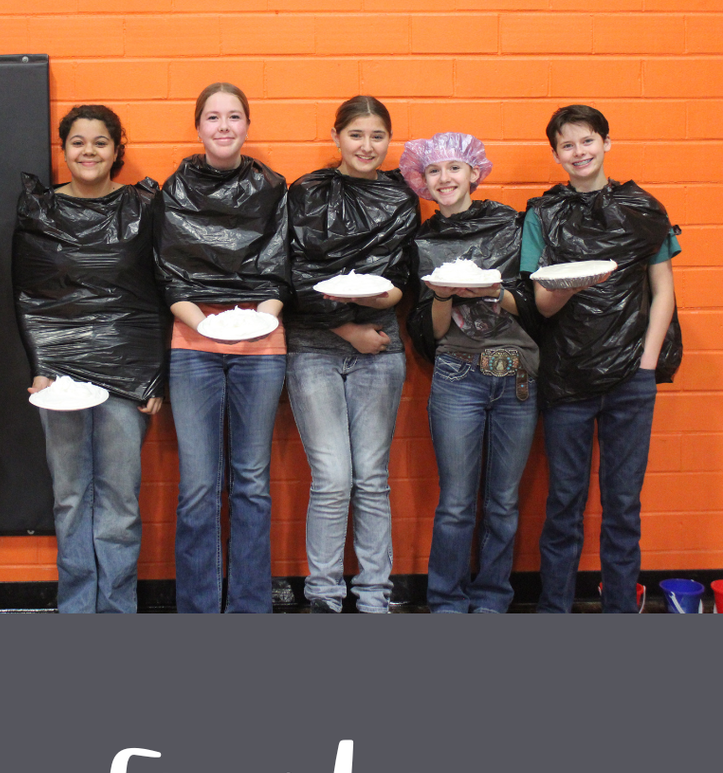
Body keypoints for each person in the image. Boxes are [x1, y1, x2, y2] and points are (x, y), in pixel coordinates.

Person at [522, 105, 681, 613]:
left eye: (587, 141)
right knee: (564, 502)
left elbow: (663, 293)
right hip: (567, 376)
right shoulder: (542, 213)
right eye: (567, 145)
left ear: (606, 143)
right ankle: (555, 610)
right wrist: (571, 285)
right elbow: (542, 304)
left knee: (623, 505)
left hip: (632, 378)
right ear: (556, 154)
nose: (579, 152)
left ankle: (619, 611)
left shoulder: (643, 206)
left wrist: (647, 362)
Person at [14, 104, 169, 613]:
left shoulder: (144, 207)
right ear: (64, 150)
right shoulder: (38, 209)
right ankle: (78, 609)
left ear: (116, 149)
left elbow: (158, 293)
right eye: (78, 142)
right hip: (60, 377)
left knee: (120, 502)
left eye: (100, 142)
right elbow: (28, 294)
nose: (88, 151)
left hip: (126, 372)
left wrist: (153, 378)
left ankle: (117, 608)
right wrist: (40, 366)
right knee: (71, 497)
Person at [154, 83, 290, 613]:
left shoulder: (273, 188)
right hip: (193, 343)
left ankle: (249, 608)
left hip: (261, 342)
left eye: (235, 116)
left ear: (248, 125)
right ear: (198, 127)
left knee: (252, 484)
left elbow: (282, 270)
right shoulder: (174, 190)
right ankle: (199, 608)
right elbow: (167, 274)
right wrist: (206, 328)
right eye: (213, 117)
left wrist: (253, 323)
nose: (225, 126)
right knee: (198, 486)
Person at [285, 96, 419, 613]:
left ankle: (373, 595)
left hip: (380, 345)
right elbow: (293, 276)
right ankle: (323, 593)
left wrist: (382, 301)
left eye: (378, 136)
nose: (368, 146)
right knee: (333, 477)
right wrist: (347, 328)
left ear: (389, 140)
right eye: (357, 134)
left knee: (371, 476)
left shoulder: (402, 200)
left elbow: (403, 280)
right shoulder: (307, 192)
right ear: (337, 136)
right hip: (317, 347)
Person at [402, 133, 541, 613]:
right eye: (434, 171)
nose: (445, 178)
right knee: (457, 503)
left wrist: (489, 290)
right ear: (423, 180)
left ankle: (492, 599)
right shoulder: (421, 242)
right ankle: (446, 600)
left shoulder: (512, 224)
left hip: (515, 374)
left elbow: (531, 305)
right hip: (457, 374)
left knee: (502, 502)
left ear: (474, 174)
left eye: (455, 168)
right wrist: (443, 294)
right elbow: (430, 332)